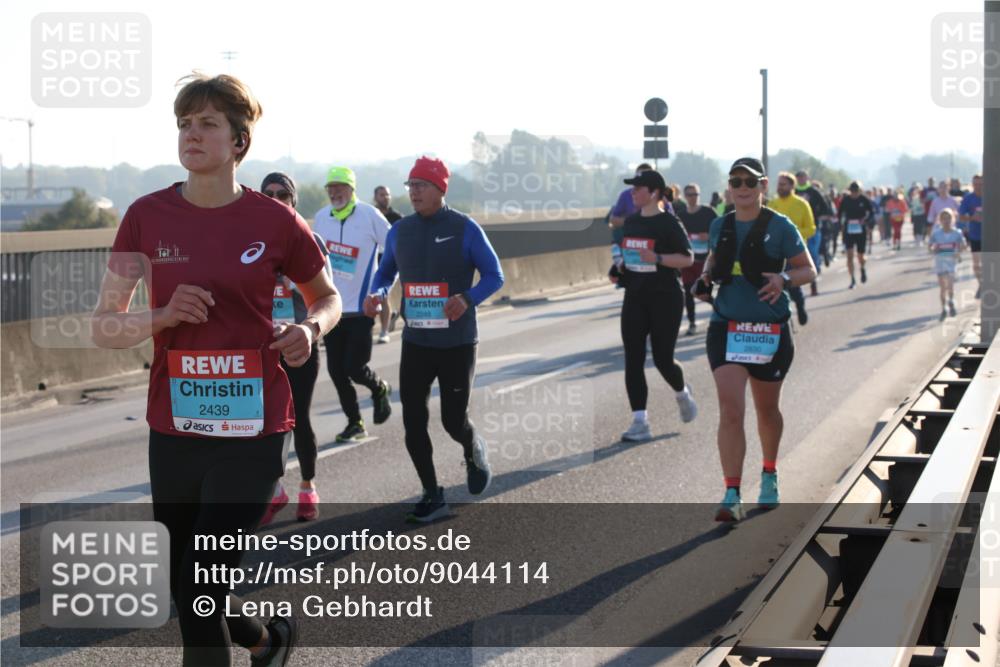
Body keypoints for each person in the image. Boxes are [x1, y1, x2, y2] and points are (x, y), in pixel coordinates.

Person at [92, 73, 341, 666]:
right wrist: (161, 314)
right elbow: (104, 325)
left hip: (252, 430)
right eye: (184, 123)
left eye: (207, 124)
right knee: (190, 587)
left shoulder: (276, 221)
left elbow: (326, 297)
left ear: (238, 142)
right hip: (176, 430)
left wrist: (309, 330)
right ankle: (267, 639)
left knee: (200, 581)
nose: (191, 135)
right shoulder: (145, 217)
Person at [363, 156, 504, 523]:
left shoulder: (464, 228)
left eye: (421, 186)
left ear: (441, 189)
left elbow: (494, 275)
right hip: (417, 342)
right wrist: (377, 294)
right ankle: (432, 493)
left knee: (453, 421)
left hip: (457, 342)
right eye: (410, 186)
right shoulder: (400, 231)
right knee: (413, 420)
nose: (414, 193)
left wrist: (467, 298)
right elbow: (384, 274)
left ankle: (472, 446)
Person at [695, 157, 815, 522]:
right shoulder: (720, 225)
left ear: (763, 186)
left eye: (750, 181)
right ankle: (731, 492)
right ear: (729, 187)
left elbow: (807, 269)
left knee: (766, 410)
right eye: (736, 181)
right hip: (727, 326)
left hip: (769, 330)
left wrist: (783, 280)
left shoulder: (780, 226)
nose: (743, 187)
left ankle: (769, 473)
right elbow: (713, 263)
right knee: (731, 410)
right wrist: (703, 282)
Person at [258, 173, 333, 524]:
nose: (275, 198)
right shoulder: (249, 240)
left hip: (299, 345)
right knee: (262, 424)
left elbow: (328, 296)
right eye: (268, 193)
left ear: (293, 200)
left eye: (282, 194)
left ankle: (308, 487)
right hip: (261, 348)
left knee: (298, 419)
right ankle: (275, 491)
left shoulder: (311, 239)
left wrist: (296, 291)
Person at [608, 170, 698, 441]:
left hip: (665, 297)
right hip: (635, 295)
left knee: (662, 359)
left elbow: (687, 258)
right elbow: (630, 256)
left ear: (655, 193)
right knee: (633, 358)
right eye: (632, 188)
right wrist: (619, 267)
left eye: (638, 188)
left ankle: (682, 392)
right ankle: (640, 421)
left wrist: (657, 257)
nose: (632, 192)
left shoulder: (669, 223)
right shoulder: (632, 222)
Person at [314, 166, 393, 443]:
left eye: (339, 186)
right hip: (332, 309)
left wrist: (381, 291)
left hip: (362, 307)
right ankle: (355, 422)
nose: (334, 192)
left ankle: (379, 387)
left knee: (355, 367)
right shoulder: (322, 218)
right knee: (336, 371)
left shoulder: (369, 215)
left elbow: (393, 249)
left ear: (351, 189)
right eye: (330, 188)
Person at [767, 172, 815, 325]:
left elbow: (811, 228)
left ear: (792, 186)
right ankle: (783, 319)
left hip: (795, 254)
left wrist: (791, 236)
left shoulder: (802, 204)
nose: (779, 187)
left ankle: (800, 307)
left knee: (793, 287)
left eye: (783, 184)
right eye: (778, 184)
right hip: (774, 255)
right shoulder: (771, 205)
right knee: (775, 287)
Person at [676, 183, 716, 335]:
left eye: (695, 195)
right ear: (685, 197)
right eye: (690, 195)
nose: (693, 198)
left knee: (704, 292)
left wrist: (709, 236)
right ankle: (692, 323)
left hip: (705, 261)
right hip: (688, 261)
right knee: (688, 292)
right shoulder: (681, 215)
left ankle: (720, 309)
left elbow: (721, 230)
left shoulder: (708, 212)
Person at [794, 170, 831, 294]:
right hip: (795, 230)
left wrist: (816, 216)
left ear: (807, 178)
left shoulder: (813, 192)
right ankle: (796, 288)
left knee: (812, 255)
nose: (800, 179)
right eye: (798, 177)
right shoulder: (793, 192)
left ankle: (813, 284)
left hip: (812, 229)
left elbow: (825, 208)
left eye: (802, 177)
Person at [374, 185, 403, 340]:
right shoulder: (371, 215)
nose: (385, 197)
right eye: (381, 194)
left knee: (383, 296)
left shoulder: (397, 217)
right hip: (373, 261)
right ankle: (389, 316)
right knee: (378, 296)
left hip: (392, 262)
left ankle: (384, 331)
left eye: (387, 194)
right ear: (375, 197)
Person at [929, 209, 966, 319]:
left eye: (948, 218)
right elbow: (930, 246)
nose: (946, 221)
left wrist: (958, 252)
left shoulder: (957, 233)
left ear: (952, 219)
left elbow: (963, 245)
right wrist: (933, 249)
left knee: (950, 284)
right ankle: (943, 307)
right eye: (944, 218)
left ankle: (951, 301)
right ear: (940, 220)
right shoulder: (936, 233)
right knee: (942, 287)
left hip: (951, 262)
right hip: (940, 262)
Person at [839, 181, 875, 289]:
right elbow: (840, 213)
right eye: (852, 191)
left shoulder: (864, 200)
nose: (854, 193)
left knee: (860, 255)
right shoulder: (845, 200)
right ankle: (852, 279)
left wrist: (865, 221)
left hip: (861, 230)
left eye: (856, 191)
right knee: (849, 255)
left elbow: (871, 213)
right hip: (849, 230)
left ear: (859, 191)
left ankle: (862, 268)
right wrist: (842, 225)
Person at [958, 174, 984, 299]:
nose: (978, 186)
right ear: (972, 184)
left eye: (980, 184)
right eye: (976, 184)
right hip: (975, 235)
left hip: (991, 235)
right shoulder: (968, 199)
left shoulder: (991, 195)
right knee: (976, 264)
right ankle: (981, 284)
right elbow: (961, 216)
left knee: (990, 263)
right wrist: (972, 217)